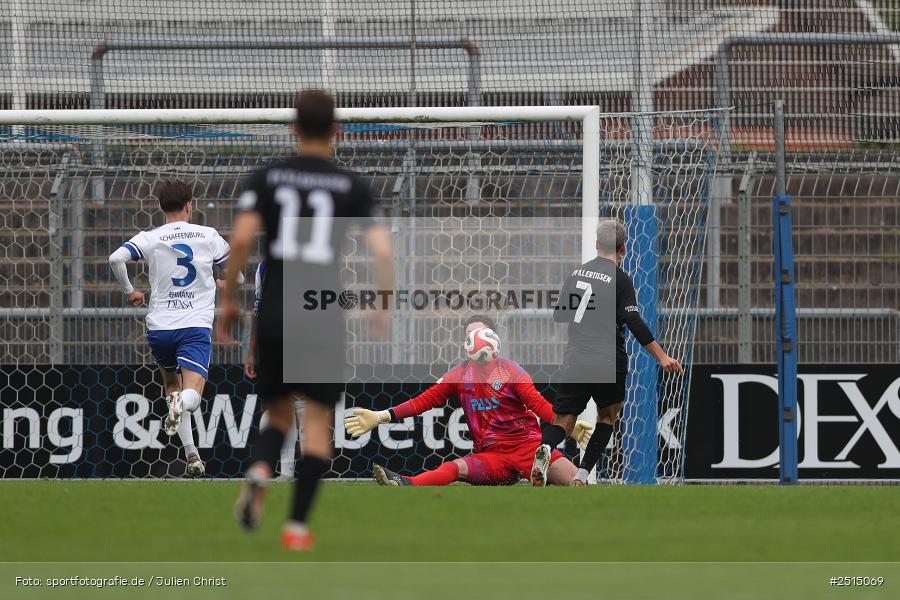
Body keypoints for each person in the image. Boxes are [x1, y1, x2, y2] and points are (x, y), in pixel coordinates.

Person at [217, 90, 393, 551]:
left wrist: (229, 301)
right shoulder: (350, 183)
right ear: (337, 131)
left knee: (278, 414)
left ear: (293, 128)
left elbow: (239, 241)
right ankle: (295, 528)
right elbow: (382, 251)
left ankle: (259, 471)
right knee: (317, 426)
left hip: (276, 308)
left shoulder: (269, 176)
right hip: (322, 310)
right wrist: (382, 306)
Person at [345, 315, 593, 487]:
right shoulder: (459, 375)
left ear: (492, 338)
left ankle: (543, 474)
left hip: (528, 447)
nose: (474, 338)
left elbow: (539, 405)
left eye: (479, 333)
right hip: (492, 456)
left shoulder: (511, 372)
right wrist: (380, 416)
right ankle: (406, 483)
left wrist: (568, 426)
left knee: (577, 484)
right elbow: (423, 401)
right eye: (469, 334)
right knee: (455, 468)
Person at [530, 219, 683, 486]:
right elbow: (634, 322)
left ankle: (546, 448)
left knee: (563, 421)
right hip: (609, 360)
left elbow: (559, 316)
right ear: (623, 248)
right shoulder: (622, 280)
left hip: (577, 359)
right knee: (606, 417)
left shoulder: (577, 274)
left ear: (596, 244)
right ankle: (582, 474)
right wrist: (662, 357)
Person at [108, 181, 243, 478]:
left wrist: (130, 290)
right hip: (193, 326)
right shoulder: (208, 236)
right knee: (191, 394)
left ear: (160, 206)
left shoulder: (152, 237)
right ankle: (181, 404)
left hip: (160, 328)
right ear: (190, 205)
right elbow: (240, 277)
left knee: (173, 388)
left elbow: (116, 258)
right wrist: (223, 282)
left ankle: (191, 455)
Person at [245, 259, 300, 480]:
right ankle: (287, 471)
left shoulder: (266, 265)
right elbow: (258, 310)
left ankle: (272, 468)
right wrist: (252, 352)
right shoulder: (265, 266)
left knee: (283, 407)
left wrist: (252, 352)